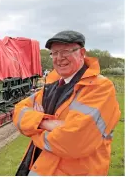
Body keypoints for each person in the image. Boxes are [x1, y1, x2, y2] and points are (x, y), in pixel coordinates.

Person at [13, 30, 121, 176]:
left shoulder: (100, 88)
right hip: (39, 166)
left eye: (65, 51)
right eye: (54, 53)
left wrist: (34, 128)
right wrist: (47, 123)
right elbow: (18, 111)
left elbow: (74, 142)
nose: (59, 58)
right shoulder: (51, 85)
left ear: (82, 53)